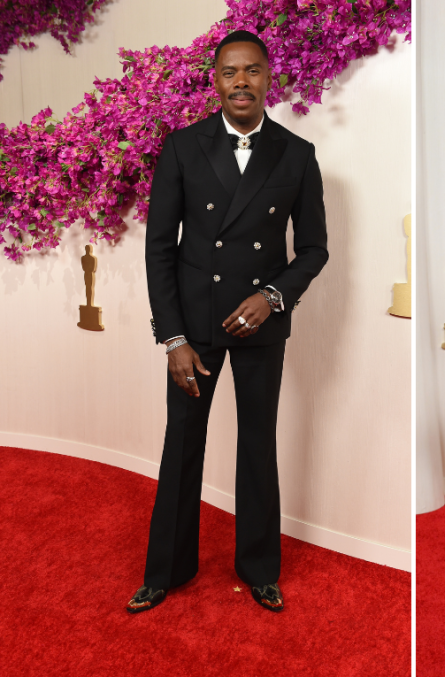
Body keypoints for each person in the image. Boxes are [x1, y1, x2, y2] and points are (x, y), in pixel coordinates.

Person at [128, 29, 329, 614]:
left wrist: (272, 296)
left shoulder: (297, 154)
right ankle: (166, 571)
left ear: (270, 78)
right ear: (214, 81)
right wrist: (172, 338)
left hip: (260, 326)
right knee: (182, 443)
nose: (241, 82)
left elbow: (314, 249)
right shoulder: (182, 148)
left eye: (252, 71)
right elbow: (159, 249)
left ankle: (259, 567)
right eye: (229, 73)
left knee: (257, 443)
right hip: (193, 328)